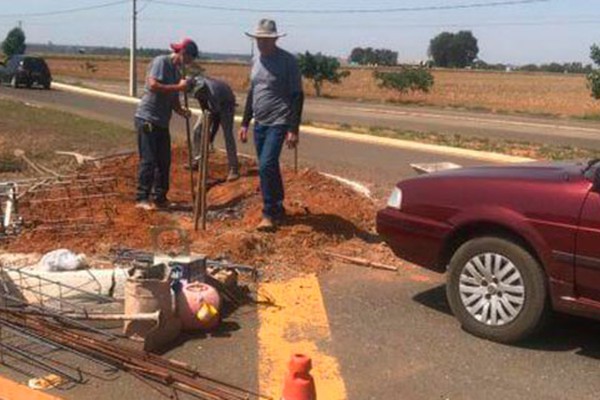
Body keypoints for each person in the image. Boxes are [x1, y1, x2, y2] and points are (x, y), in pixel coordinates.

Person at [239, 19, 304, 231]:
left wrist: (293, 129)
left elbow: (297, 95)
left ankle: (268, 213)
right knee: (269, 166)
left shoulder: (288, 62)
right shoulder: (256, 60)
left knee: (266, 164)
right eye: (259, 39)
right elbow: (253, 92)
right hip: (260, 122)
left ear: (275, 39)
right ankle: (277, 205)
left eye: (266, 40)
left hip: (279, 120)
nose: (261, 43)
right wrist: (245, 122)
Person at [133, 38, 198, 210]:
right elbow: (153, 85)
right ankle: (142, 198)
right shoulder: (161, 61)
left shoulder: (177, 73)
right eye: (189, 59)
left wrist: (182, 111)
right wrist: (178, 87)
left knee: (164, 161)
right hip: (147, 118)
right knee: (149, 160)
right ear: (183, 53)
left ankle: (160, 197)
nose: (189, 63)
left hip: (162, 122)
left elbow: (173, 99)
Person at [189, 76, 240, 181]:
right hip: (214, 104)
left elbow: (216, 119)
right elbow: (204, 108)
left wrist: (211, 138)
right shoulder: (195, 83)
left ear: (203, 90)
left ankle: (233, 169)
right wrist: (205, 122)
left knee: (228, 135)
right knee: (197, 130)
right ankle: (197, 161)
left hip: (226, 104)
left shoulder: (213, 93)